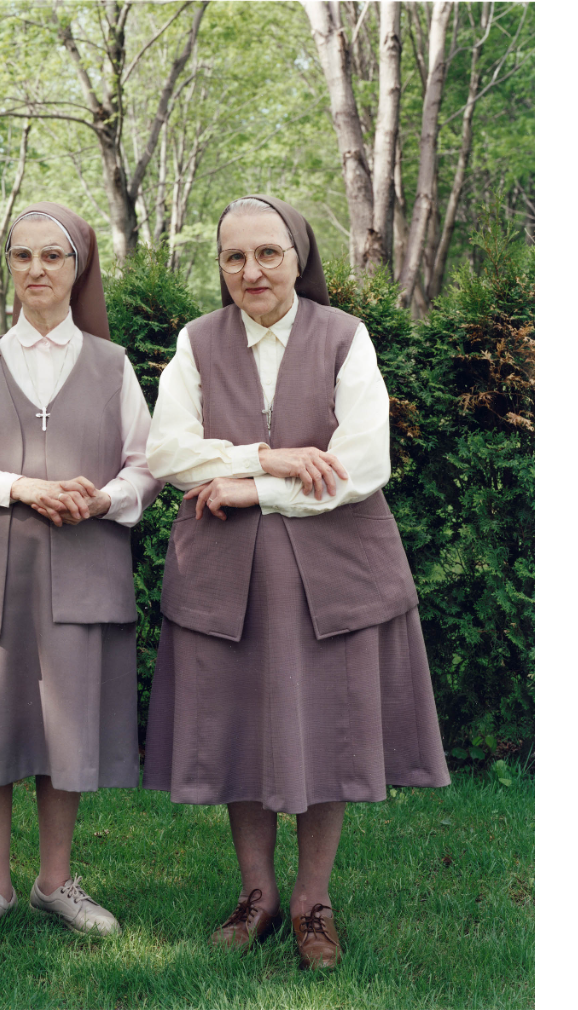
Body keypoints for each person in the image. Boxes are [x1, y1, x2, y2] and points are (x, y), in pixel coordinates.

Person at [143, 195, 450, 970]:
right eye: (234, 257)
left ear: (299, 256)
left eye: (268, 254)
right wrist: (265, 457)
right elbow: (168, 453)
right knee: (243, 733)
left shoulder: (346, 337)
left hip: (334, 577)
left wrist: (253, 490)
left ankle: (314, 900)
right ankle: (258, 894)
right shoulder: (196, 341)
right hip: (225, 578)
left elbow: (365, 462)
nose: (251, 271)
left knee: (327, 733)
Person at [0, 202, 160, 943]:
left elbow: (147, 464)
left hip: (82, 568)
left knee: (67, 727)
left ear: (77, 267)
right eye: (22, 257)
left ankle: (55, 882)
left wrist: (104, 498)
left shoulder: (113, 366)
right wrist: (23, 488)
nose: (36, 271)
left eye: (52, 257)